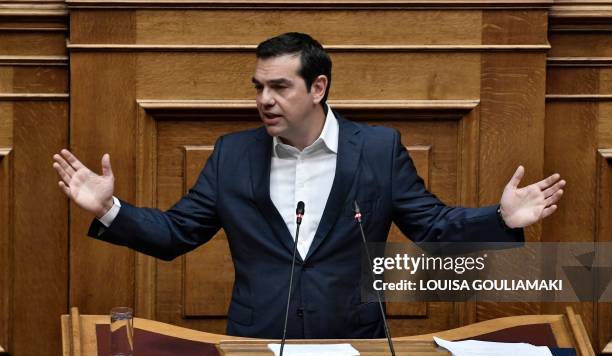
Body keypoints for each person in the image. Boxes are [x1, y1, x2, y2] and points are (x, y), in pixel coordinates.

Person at [52, 32, 565, 339]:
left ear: (318, 87)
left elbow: (431, 226)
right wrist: (109, 209)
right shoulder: (233, 153)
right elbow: (177, 233)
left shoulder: (379, 150)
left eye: (280, 86)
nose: (265, 100)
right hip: (255, 345)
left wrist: (500, 220)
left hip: (355, 343)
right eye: (259, 87)